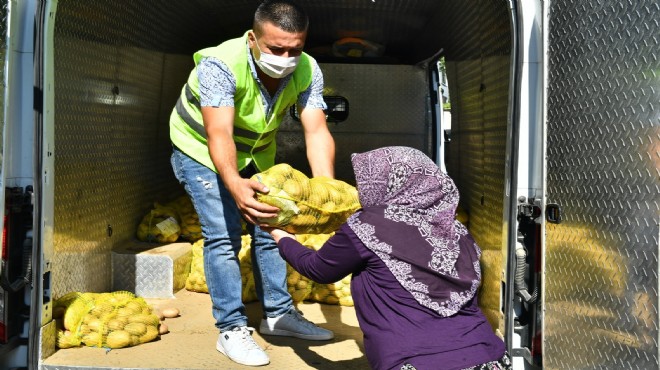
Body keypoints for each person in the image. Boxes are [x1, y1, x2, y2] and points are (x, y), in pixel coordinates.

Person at [168, 0, 335, 366]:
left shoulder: (307, 69)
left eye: (295, 48)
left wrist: (327, 189)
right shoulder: (221, 63)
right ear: (253, 38)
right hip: (199, 149)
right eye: (276, 48)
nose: (287, 57)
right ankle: (230, 330)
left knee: (271, 225)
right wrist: (233, 182)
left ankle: (277, 315)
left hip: (256, 154)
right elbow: (219, 132)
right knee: (223, 234)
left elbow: (317, 129)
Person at [266, 146, 511, 370]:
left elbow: (318, 269)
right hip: (489, 358)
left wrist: (279, 235)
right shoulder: (457, 231)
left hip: (414, 362)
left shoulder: (367, 225)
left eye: (368, 181)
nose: (362, 188)